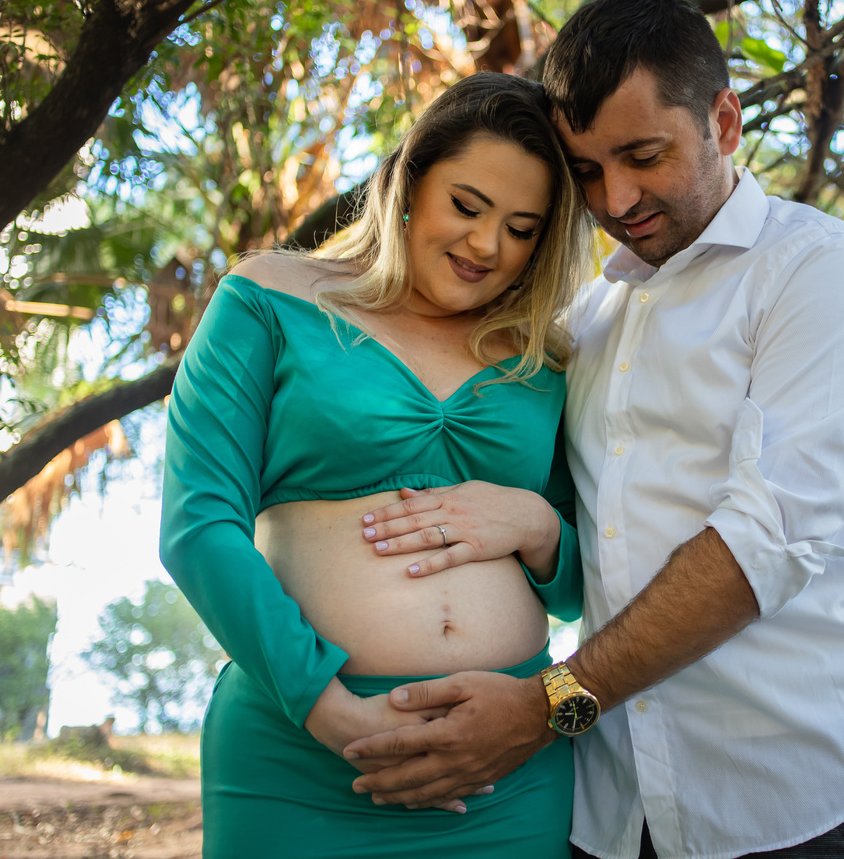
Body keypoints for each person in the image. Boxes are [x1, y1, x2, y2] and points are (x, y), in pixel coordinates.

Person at [347, 0, 844, 859]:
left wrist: (545, 707)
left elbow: (767, 537)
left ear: (723, 121)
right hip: (616, 812)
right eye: (586, 171)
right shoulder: (590, 319)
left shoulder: (815, 270)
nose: (616, 198)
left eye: (643, 155)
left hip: (802, 804)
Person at [158, 72, 594, 858]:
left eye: (521, 228)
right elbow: (199, 525)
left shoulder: (546, 358)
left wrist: (536, 525)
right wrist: (332, 713)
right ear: (408, 181)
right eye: (466, 205)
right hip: (299, 756)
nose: (486, 245)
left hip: (505, 769)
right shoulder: (271, 298)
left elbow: (581, 585)